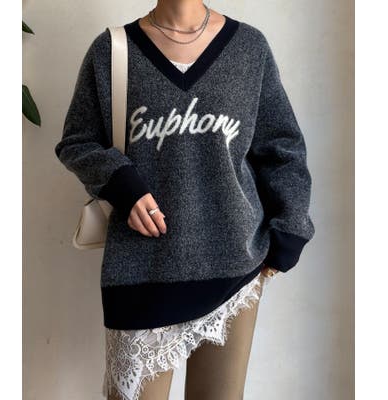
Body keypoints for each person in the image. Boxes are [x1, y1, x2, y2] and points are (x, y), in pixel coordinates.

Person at [54, 2, 315, 399]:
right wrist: (123, 185)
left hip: (235, 267)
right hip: (142, 271)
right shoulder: (112, 50)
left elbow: (282, 146)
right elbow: (77, 141)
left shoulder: (249, 48)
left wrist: (290, 230)